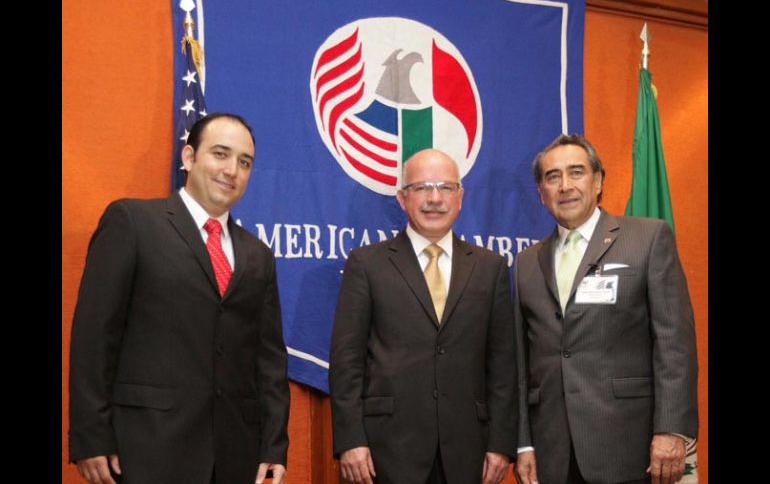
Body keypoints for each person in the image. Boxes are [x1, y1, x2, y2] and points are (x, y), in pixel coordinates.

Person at [68, 113, 290, 484]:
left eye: (244, 162)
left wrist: (273, 445)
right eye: (220, 154)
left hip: (234, 456)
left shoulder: (258, 255)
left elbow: (268, 361)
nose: (232, 170)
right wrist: (90, 437)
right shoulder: (133, 222)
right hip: (145, 449)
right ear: (189, 157)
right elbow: (94, 337)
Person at [513, 134, 698, 484]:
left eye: (576, 172)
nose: (565, 186)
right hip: (553, 452)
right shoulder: (526, 262)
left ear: (598, 181)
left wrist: (671, 430)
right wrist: (524, 443)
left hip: (629, 448)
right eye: (552, 177)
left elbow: (674, 343)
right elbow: (522, 363)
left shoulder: (647, 239)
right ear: (541, 192)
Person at [329, 149, 518, 484]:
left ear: (460, 197)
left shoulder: (490, 268)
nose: (434, 199)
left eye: (445, 187)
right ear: (402, 198)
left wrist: (500, 444)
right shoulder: (367, 264)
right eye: (421, 188)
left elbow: (502, 365)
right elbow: (347, 362)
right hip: (383, 451)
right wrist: (351, 440)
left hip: (467, 452)